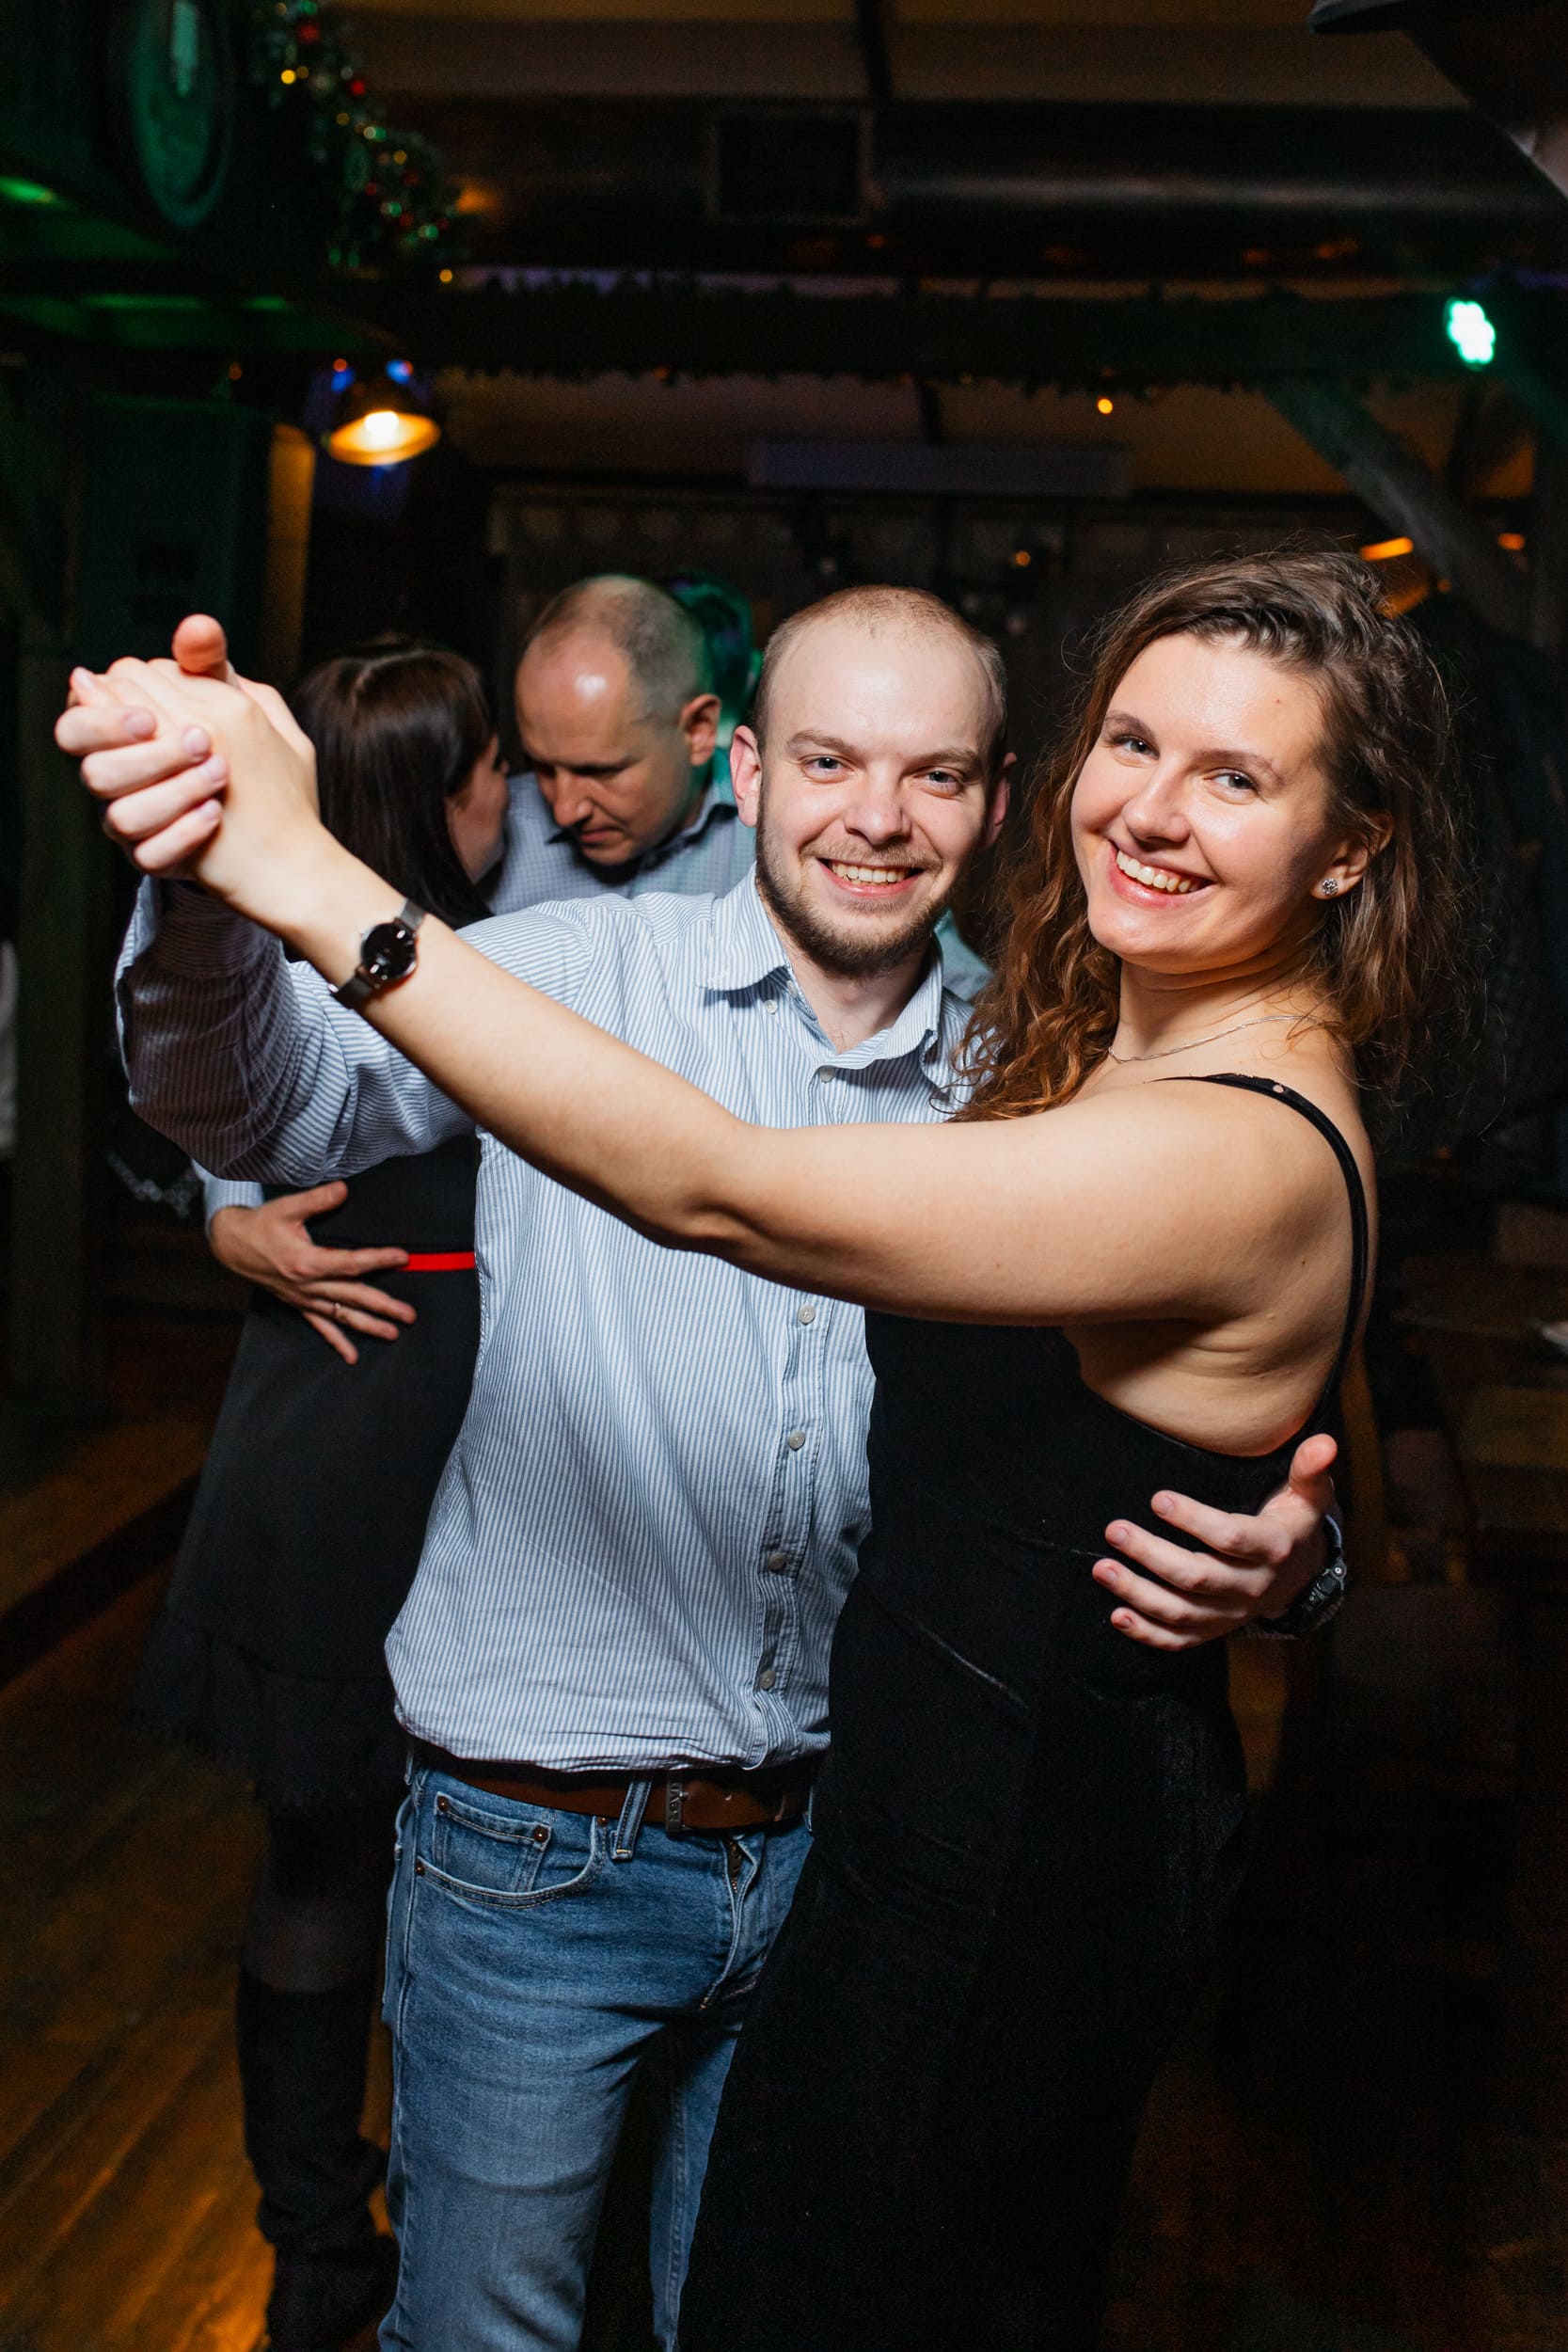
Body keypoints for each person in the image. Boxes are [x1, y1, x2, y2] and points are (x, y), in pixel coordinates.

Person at [65, 582, 1343, 2352]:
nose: (876, 818)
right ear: (744, 768)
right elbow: (255, 1107)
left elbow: (1129, 1417)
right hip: (537, 1846)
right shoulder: (566, 977)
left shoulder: (1044, 1081)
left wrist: (1294, 1560)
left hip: (854, 1860)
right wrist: (209, 884)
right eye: (826, 761)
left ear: (998, 800)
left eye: (934, 774)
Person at [135, 641, 509, 2352]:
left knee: (337, 1866)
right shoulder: (454, 979)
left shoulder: (427, 956)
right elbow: (224, 1100)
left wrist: (224, 1212)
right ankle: (359, 2242)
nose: (519, 801)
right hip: (390, 1436)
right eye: (495, 772)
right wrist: (230, 1215)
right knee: (391, 1870)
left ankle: (331, 2245)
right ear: (445, 793)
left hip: (336, 1432)